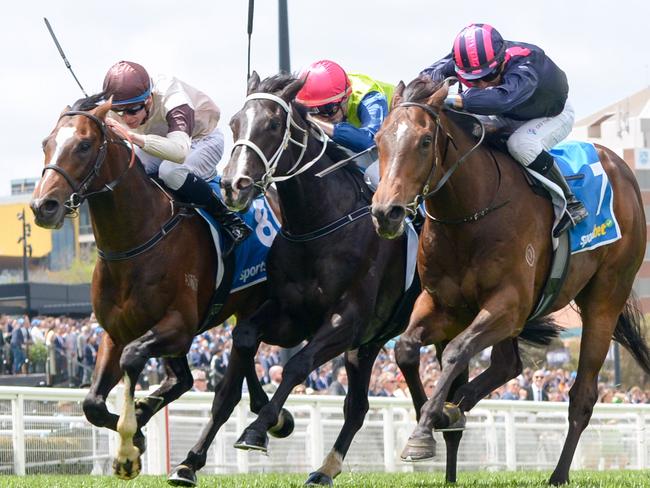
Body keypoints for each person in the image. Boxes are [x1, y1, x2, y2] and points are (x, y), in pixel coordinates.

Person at [421, 23, 587, 237]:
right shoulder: (463, 60)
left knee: (520, 145)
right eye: (472, 80)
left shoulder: (527, 62)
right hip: (506, 114)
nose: (481, 84)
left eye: (488, 77)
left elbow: (501, 99)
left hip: (551, 115)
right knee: (458, 126)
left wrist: (450, 99)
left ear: (501, 61)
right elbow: (426, 77)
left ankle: (571, 202)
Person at [102, 60, 251, 249]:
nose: (126, 118)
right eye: (118, 111)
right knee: (131, 166)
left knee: (170, 171)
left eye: (132, 110)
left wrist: (131, 136)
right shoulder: (125, 106)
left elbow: (179, 153)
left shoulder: (174, 98)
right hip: (161, 139)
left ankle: (229, 220)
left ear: (148, 100)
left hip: (201, 140)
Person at [296, 59, 393, 164]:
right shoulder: (336, 95)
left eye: (327, 109)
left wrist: (313, 121)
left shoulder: (370, 98)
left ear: (346, 97)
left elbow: (371, 142)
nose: (321, 118)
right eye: (312, 110)